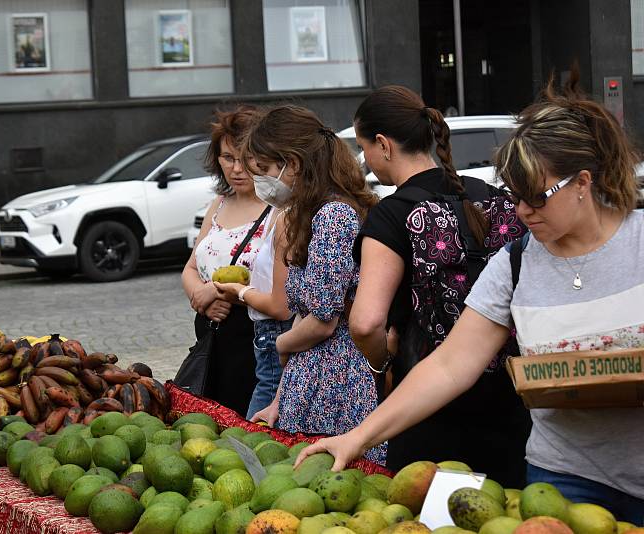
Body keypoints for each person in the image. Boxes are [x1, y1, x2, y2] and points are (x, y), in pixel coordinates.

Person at [296, 75, 644, 522]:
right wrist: (359, 437)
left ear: (582, 182)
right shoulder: (514, 263)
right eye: (516, 198)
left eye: (537, 198)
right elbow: (448, 364)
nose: (522, 213)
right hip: (561, 478)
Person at [341, 85, 530, 487]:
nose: (367, 160)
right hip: (509, 397)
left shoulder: (391, 215)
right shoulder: (493, 197)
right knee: (506, 513)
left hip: (427, 402)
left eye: (364, 148)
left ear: (383, 144)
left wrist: (381, 365)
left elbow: (365, 322)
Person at [244, 105, 386, 464]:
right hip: (312, 379)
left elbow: (323, 320)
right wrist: (278, 399)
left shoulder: (334, 216)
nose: (262, 184)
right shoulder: (312, 214)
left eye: (265, 171)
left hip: (336, 383)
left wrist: (280, 342)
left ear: (292, 163)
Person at [181, 106, 270, 417]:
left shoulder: (277, 209)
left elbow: (279, 281)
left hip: (253, 343)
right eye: (228, 158)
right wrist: (201, 297)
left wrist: (216, 291)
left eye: (245, 158)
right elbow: (191, 267)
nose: (236, 168)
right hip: (210, 336)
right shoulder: (219, 203)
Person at [214, 201, 293, 419]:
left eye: (264, 169)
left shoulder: (288, 217)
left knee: (260, 415)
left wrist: (240, 292)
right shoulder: (283, 211)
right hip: (269, 332)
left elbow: (281, 307)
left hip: (274, 331)